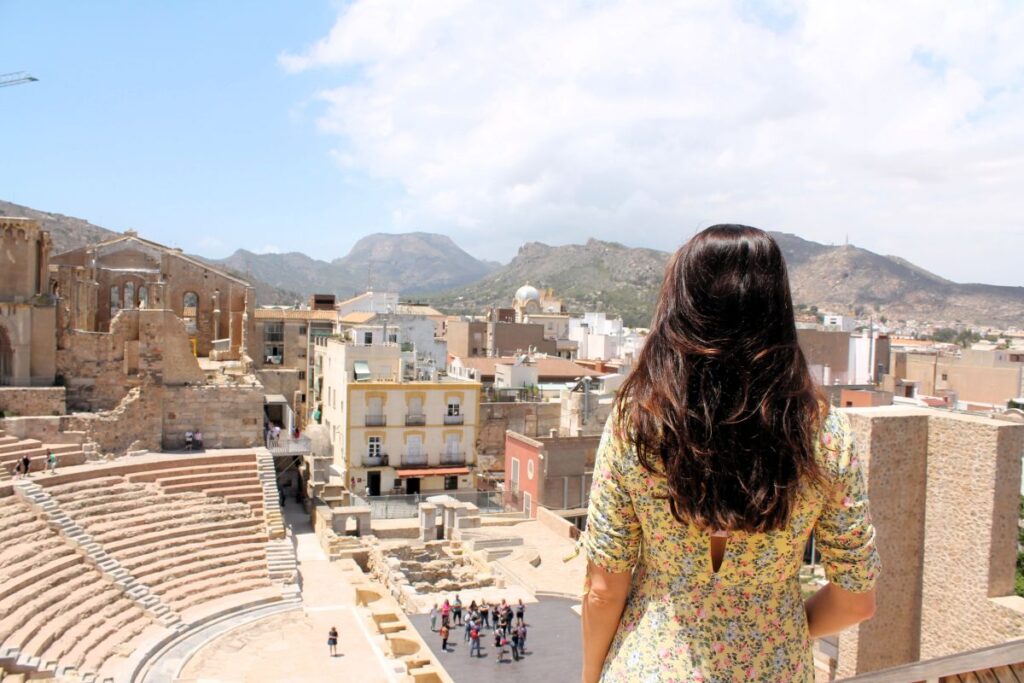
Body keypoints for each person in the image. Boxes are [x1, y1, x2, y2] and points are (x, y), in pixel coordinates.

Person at [581, 225, 880, 683]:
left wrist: (590, 674)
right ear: (777, 310)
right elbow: (857, 599)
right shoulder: (825, 434)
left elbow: (603, 590)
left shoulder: (638, 425)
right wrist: (776, 629)